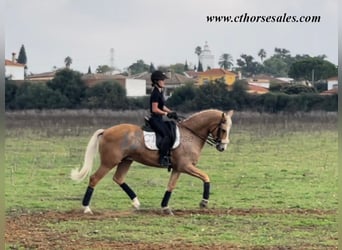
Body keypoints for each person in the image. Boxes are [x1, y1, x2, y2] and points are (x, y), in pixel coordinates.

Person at [149, 70, 177, 167]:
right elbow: (155, 109)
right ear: (156, 81)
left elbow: (162, 106)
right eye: (162, 80)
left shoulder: (160, 92)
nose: (164, 81)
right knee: (167, 136)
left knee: (171, 128)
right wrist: (166, 114)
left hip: (159, 119)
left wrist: (171, 112)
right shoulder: (156, 93)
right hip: (155, 119)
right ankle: (162, 158)